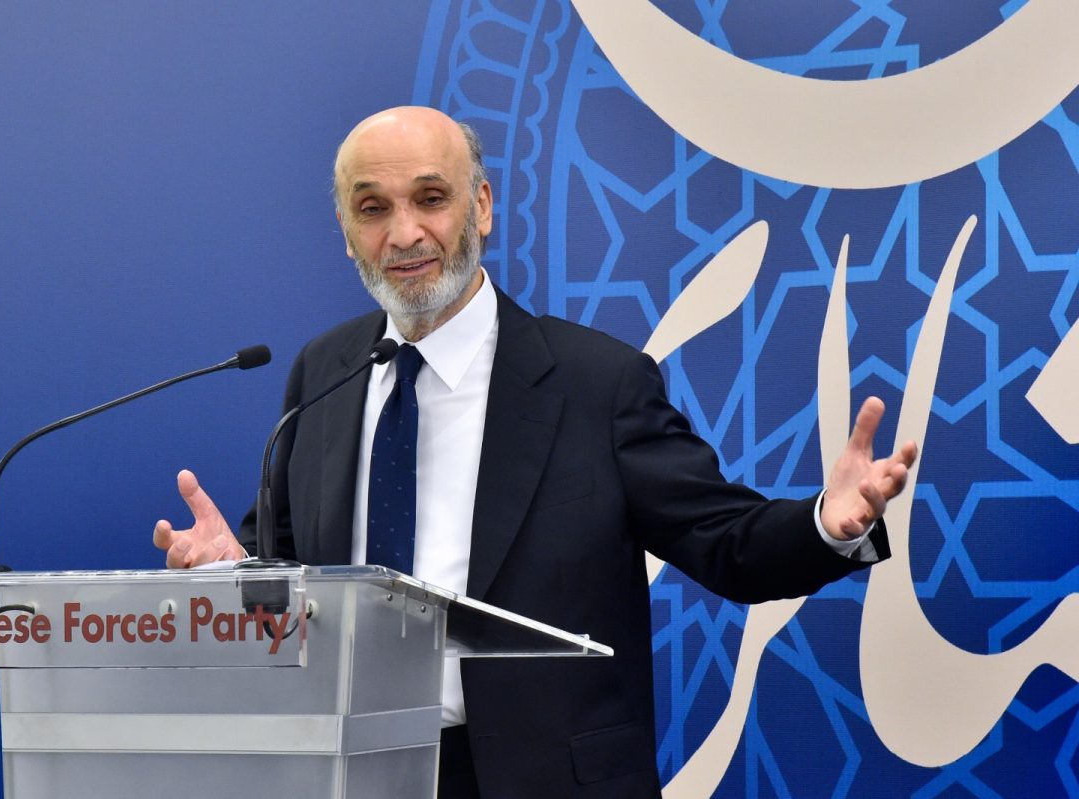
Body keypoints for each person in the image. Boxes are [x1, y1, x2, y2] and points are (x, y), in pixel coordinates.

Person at [154, 106, 917, 798]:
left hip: (540, 778)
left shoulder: (598, 383)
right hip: (353, 772)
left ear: (482, 206)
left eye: (430, 198)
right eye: (373, 208)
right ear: (347, 230)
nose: (405, 233)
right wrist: (234, 573)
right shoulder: (324, 370)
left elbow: (728, 542)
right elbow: (292, 571)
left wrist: (825, 524)